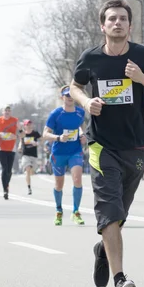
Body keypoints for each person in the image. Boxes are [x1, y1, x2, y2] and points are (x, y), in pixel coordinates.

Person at [69, 0, 144, 287]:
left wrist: (142, 78)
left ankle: (103, 249)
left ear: (130, 26)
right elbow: (74, 87)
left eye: (123, 19)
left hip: (136, 146)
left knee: (120, 213)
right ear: (103, 26)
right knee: (109, 209)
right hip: (101, 145)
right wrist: (87, 103)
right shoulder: (91, 58)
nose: (117, 23)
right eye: (111, 19)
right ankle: (120, 280)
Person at [43, 86, 87, 226]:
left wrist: (83, 136)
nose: (69, 97)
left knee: (77, 178)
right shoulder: (56, 114)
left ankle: (76, 211)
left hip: (75, 151)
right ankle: (59, 210)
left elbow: (82, 128)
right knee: (59, 184)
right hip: (59, 153)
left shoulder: (80, 113)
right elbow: (45, 134)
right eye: (66, 95)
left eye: (71, 95)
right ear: (62, 97)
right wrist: (58, 137)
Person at [0, 105, 19, 200]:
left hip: (11, 147)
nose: (7, 112)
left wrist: (16, 136)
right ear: (2, 112)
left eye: (9, 111)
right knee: (4, 168)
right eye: (5, 111)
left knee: (9, 171)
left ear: (11, 112)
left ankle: (6, 185)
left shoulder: (15, 120)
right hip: (1, 147)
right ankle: (5, 190)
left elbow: (22, 133)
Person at [18, 119, 42, 195]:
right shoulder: (23, 134)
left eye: (30, 124)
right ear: (24, 126)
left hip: (34, 155)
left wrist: (37, 143)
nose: (28, 126)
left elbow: (42, 140)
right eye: (27, 125)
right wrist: (19, 147)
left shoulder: (35, 133)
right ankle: (29, 188)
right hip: (25, 154)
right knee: (28, 169)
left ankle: (29, 171)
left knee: (32, 171)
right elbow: (21, 142)